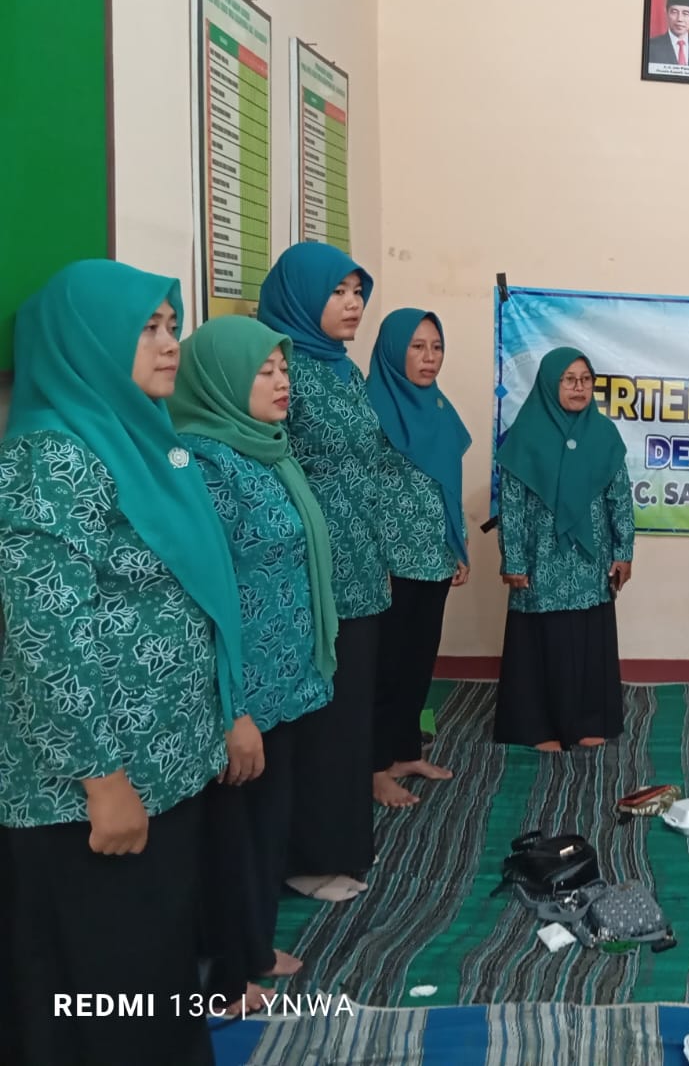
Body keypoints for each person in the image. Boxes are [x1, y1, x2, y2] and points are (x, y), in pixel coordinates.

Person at [0, 259, 239, 1066]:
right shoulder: (54, 458)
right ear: (88, 341)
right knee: (105, 986)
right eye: (146, 329)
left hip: (160, 764)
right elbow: (47, 635)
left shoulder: (139, 440)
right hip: (91, 790)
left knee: (150, 963)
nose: (170, 344)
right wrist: (101, 779)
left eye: (171, 326)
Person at [168, 315, 339, 1012]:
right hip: (238, 689)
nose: (280, 382)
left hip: (284, 680)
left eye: (283, 369)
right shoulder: (201, 464)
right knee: (232, 833)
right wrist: (230, 707)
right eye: (263, 372)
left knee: (267, 822)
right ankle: (228, 973)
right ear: (220, 380)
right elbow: (201, 596)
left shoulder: (267, 449)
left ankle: (254, 947)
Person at [257, 241, 390, 903]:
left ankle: (341, 842)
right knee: (318, 720)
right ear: (301, 295)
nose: (352, 304)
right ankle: (306, 857)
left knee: (349, 715)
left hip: (361, 568)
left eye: (357, 291)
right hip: (312, 572)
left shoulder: (343, 370)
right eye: (338, 292)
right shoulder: (284, 370)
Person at [494, 347, 635, 750]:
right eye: (569, 379)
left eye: (586, 380)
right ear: (549, 383)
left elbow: (620, 498)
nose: (579, 387)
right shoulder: (525, 435)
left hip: (590, 561)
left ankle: (589, 720)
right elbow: (511, 505)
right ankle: (540, 727)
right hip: (541, 562)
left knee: (589, 640)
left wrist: (624, 551)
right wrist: (514, 558)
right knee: (544, 641)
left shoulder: (604, 434)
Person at [369, 309, 471, 808]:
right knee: (383, 668)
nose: (430, 358)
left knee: (418, 662)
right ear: (393, 350)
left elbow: (448, 482)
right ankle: (373, 767)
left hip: (433, 556)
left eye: (436, 346)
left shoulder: (437, 406)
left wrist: (458, 543)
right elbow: (361, 495)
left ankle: (405, 751)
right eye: (417, 346)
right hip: (390, 564)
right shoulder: (371, 410)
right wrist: (373, 563)